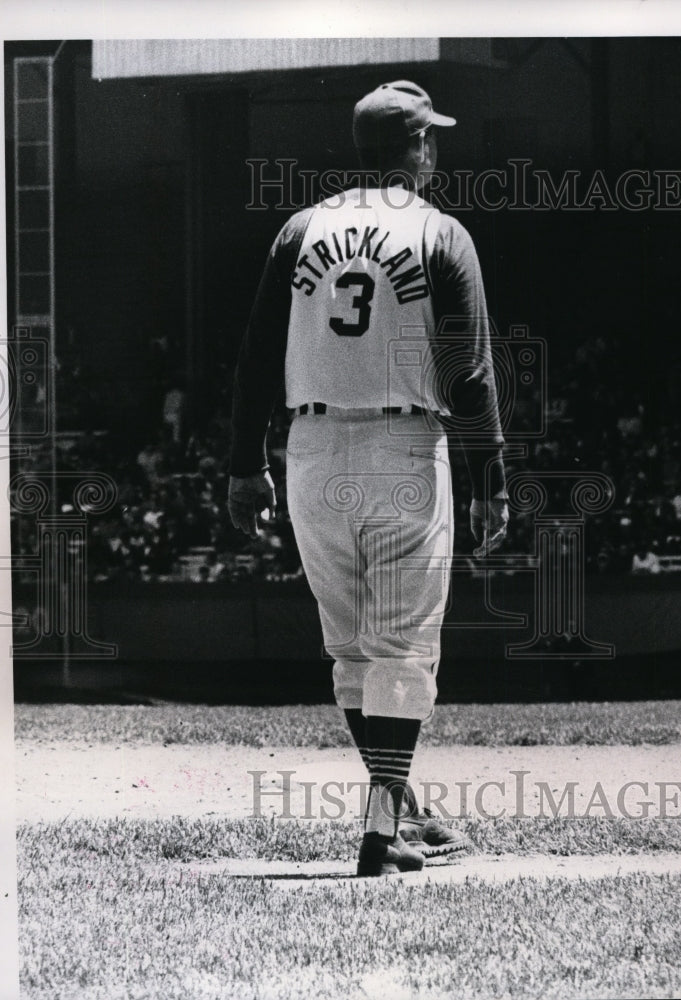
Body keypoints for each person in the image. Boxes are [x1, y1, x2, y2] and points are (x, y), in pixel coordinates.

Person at [228, 80, 508, 876]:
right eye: (430, 140)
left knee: (352, 653)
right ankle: (380, 834)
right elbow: (470, 370)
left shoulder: (299, 228)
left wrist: (244, 462)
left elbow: (253, 358)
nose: (434, 151)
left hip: (311, 446)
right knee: (403, 653)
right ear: (417, 148)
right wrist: (489, 476)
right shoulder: (439, 232)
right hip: (403, 447)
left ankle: (399, 818)